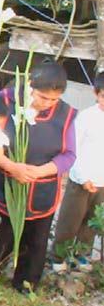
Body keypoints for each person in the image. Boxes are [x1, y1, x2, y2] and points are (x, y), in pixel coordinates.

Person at [0, 60, 77, 293]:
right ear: (28, 85)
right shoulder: (4, 101)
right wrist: (11, 166)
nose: (47, 104)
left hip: (42, 188)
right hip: (7, 180)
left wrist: (41, 171)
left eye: (53, 100)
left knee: (38, 237)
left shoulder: (66, 116)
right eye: (41, 97)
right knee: (5, 231)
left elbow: (69, 155)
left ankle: (26, 281)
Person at [51, 71, 104, 271]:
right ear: (96, 93)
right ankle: (58, 257)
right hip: (81, 179)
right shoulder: (86, 117)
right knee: (70, 220)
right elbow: (74, 150)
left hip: (102, 182)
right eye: (103, 96)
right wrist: (82, 177)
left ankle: (82, 255)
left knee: (92, 222)